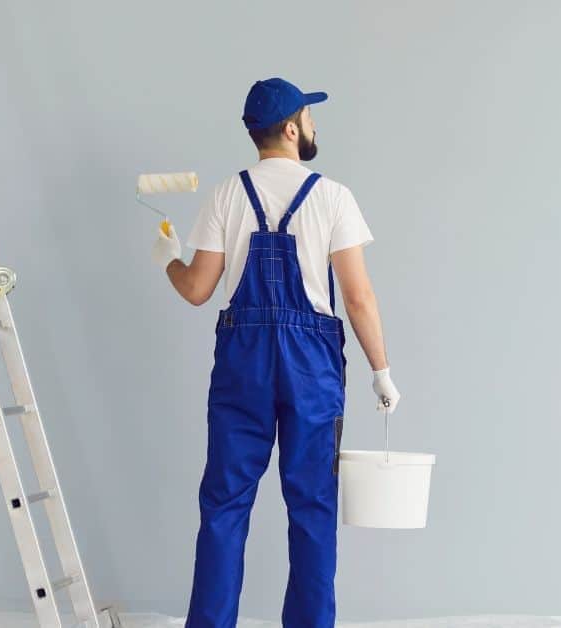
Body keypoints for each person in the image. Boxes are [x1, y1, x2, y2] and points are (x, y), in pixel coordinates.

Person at [149, 77, 400, 628]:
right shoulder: (333, 197)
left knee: (224, 504)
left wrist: (170, 257)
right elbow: (357, 297)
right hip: (311, 366)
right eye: (309, 117)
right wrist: (381, 371)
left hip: (243, 360)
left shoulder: (225, 194)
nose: (313, 125)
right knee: (312, 508)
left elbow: (196, 290)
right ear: (291, 128)